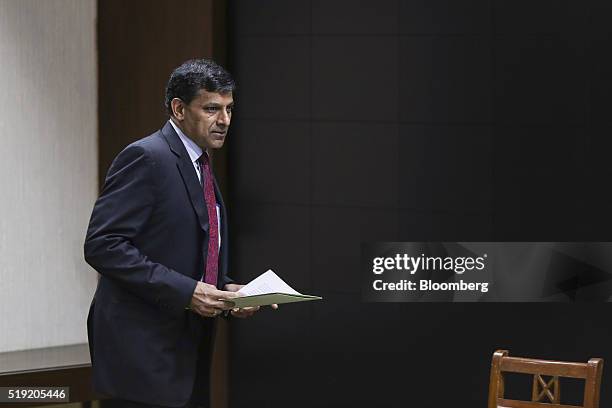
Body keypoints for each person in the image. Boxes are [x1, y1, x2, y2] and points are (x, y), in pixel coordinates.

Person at [84, 59, 266, 408]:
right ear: (179, 109)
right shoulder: (146, 157)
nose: (224, 120)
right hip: (143, 352)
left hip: (187, 347)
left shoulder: (199, 161)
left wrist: (225, 291)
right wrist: (188, 291)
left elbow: (181, 249)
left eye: (229, 109)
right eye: (212, 108)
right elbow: (102, 245)